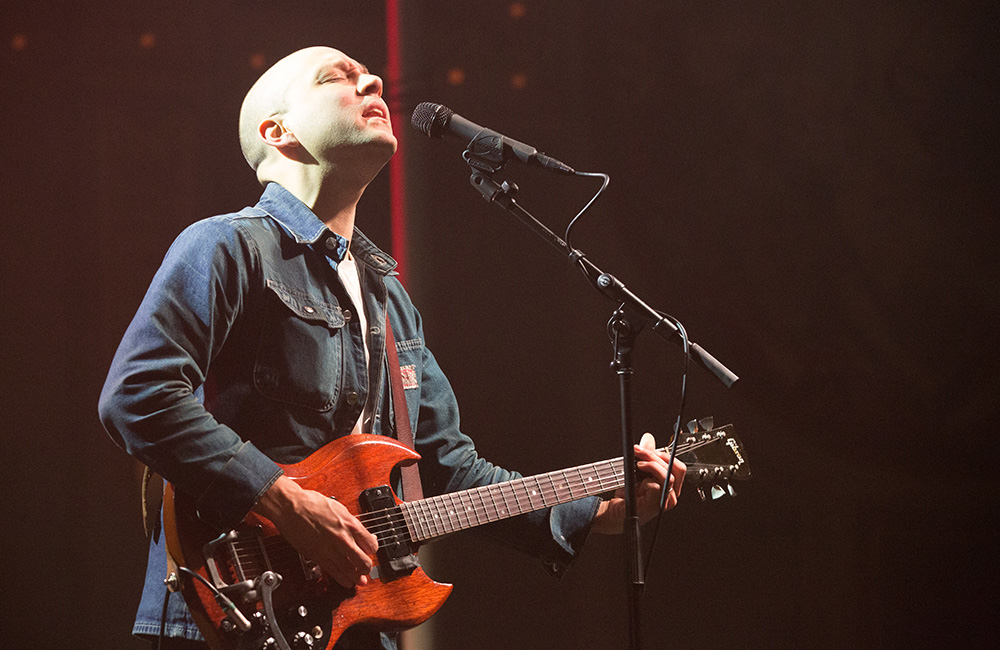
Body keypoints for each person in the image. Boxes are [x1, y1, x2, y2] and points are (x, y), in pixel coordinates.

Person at [98, 45, 686, 650]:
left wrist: (598, 511)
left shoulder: (389, 299)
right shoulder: (228, 247)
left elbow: (449, 469)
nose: (373, 80)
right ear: (278, 132)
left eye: (368, 73)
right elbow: (137, 395)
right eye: (338, 77)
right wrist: (287, 503)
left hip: (350, 622)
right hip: (227, 610)